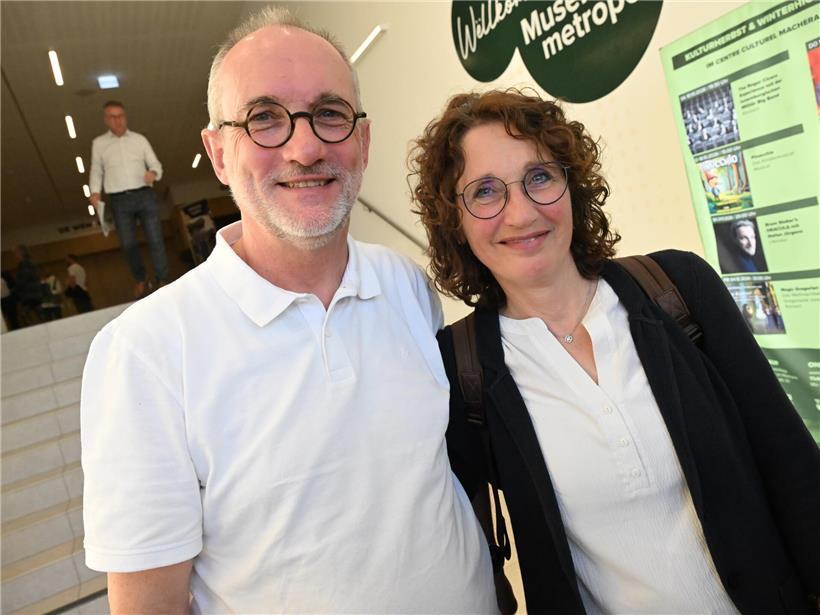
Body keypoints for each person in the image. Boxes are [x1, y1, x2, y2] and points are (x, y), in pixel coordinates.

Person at [81, 8, 495, 614]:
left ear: (363, 139)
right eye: (264, 118)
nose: (305, 148)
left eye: (329, 114)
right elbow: (150, 604)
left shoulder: (405, 285)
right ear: (218, 152)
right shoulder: (144, 352)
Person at [410, 89, 820, 614]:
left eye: (539, 177)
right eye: (485, 192)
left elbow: (790, 464)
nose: (520, 213)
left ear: (571, 186)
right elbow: (448, 538)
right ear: (456, 222)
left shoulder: (678, 288)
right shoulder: (460, 365)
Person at [88, 100, 168, 298]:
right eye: (113, 117)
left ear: (126, 116)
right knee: (127, 244)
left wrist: (153, 172)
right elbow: (96, 169)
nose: (118, 121)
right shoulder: (99, 144)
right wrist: (94, 191)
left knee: (156, 239)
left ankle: (162, 279)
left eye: (121, 116)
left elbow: (156, 164)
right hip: (119, 200)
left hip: (144, 195)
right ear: (106, 120)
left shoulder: (139, 139)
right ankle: (140, 278)